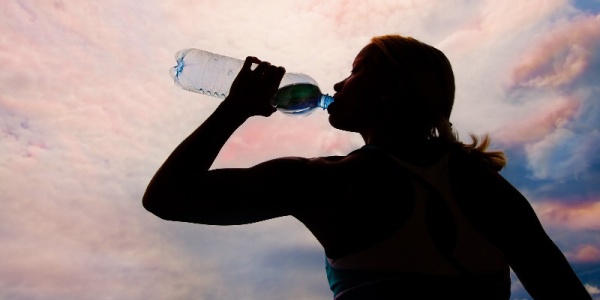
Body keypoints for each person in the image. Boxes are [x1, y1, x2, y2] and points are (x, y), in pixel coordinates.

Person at [143, 34, 591, 299]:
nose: (338, 83)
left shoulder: (332, 181)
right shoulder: (484, 184)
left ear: (390, 91)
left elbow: (167, 198)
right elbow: (563, 294)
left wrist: (233, 109)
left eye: (356, 70)